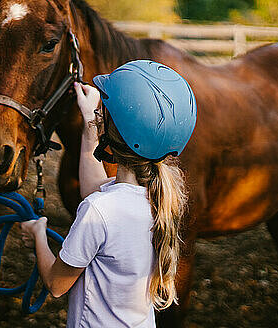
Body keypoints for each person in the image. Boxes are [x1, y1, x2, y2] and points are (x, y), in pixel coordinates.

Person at [20, 60, 197, 327]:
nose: (99, 114)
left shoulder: (100, 210)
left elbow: (56, 284)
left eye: (104, 112)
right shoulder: (158, 198)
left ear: (116, 131)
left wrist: (38, 233)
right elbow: (95, 190)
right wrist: (91, 124)